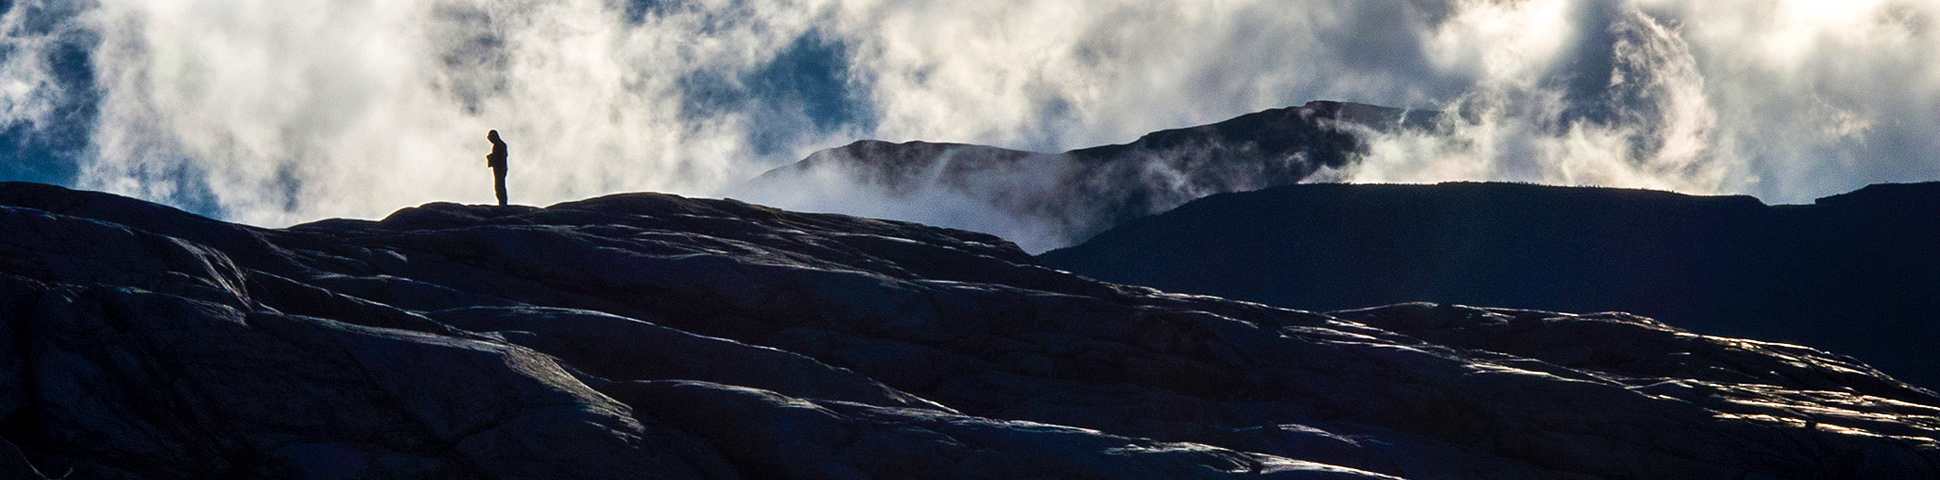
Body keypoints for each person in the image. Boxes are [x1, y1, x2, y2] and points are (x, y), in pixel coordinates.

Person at [485, 130, 509, 206]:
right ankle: (502, 202)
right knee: (499, 186)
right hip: (500, 169)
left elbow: (500, 157)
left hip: (500, 169)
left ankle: (502, 203)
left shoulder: (500, 145)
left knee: (499, 186)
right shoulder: (499, 145)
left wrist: (491, 157)